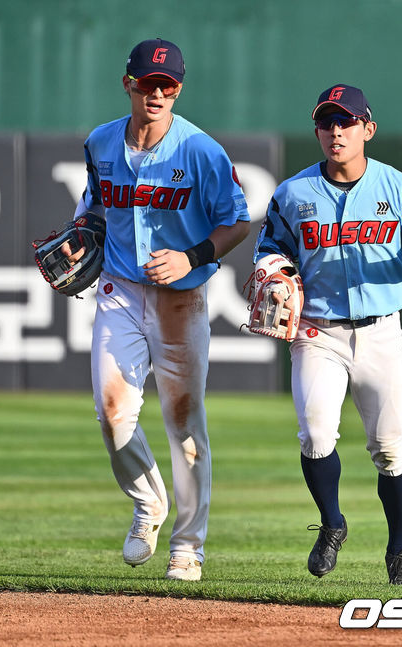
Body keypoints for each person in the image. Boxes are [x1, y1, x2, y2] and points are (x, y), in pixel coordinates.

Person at [253, 83, 402, 585]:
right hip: (317, 331)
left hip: (380, 333)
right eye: (327, 122)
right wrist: (274, 271)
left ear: (367, 128)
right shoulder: (294, 192)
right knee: (316, 434)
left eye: (346, 122)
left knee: (390, 449)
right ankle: (332, 523)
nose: (336, 131)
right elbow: (269, 249)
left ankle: (399, 551)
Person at [65, 38, 250, 581]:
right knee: (111, 412)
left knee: (184, 422)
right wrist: (83, 234)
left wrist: (192, 255)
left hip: (181, 299)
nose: (158, 92)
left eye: (168, 84)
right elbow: (96, 204)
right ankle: (149, 503)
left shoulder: (200, 151)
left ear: (179, 90)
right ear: (129, 84)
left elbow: (237, 221)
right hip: (119, 290)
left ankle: (188, 547)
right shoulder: (101, 142)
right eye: (148, 82)